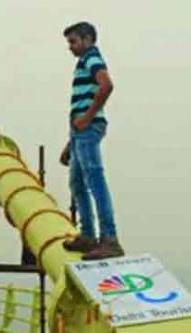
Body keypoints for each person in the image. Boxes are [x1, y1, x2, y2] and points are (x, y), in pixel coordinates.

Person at [59, 22, 124, 260]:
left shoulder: (92, 57)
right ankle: (87, 235)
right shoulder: (83, 62)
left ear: (87, 39)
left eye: (73, 41)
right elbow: (80, 104)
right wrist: (70, 143)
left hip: (87, 128)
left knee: (94, 179)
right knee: (77, 182)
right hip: (79, 132)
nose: (71, 47)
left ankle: (109, 238)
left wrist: (87, 118)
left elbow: (106, 85)